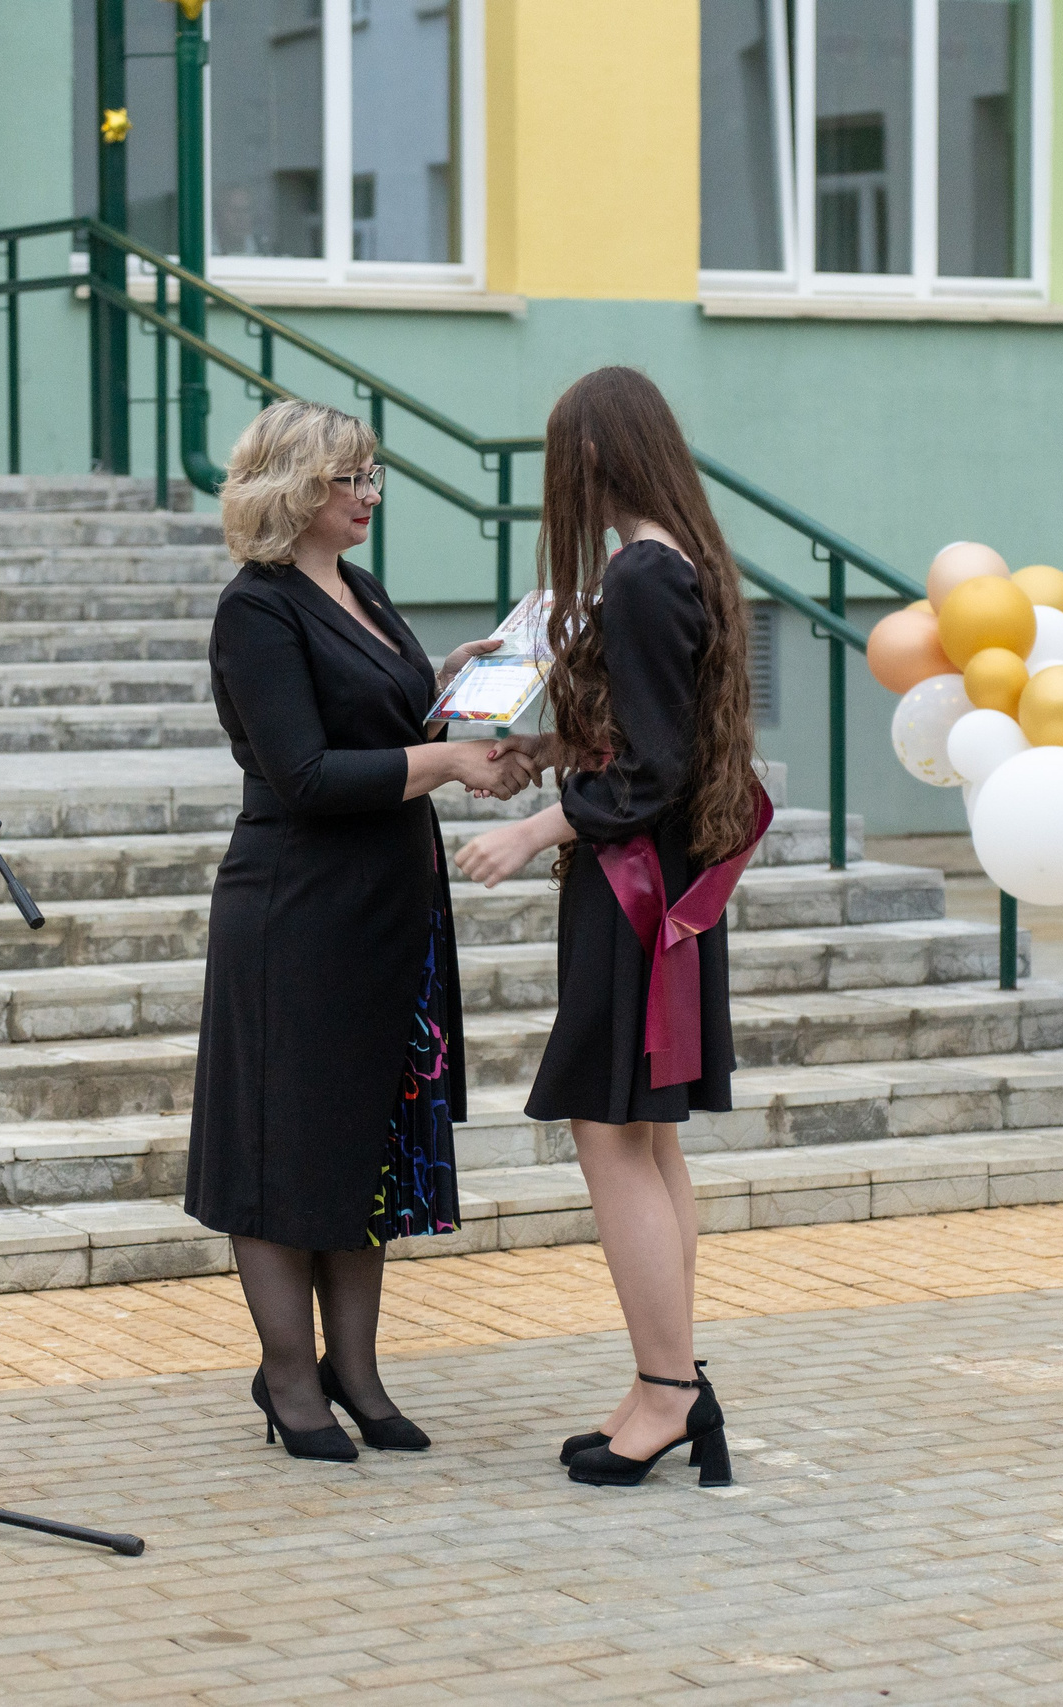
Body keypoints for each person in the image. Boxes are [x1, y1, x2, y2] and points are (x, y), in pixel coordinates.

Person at [187, 400, 532, 1461]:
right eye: (349, 479)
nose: (368, 495)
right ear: (294, 488)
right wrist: (444, 764)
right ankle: (289, 1380)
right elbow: (301, 772)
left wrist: (452, 698)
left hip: (387, 903)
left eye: (372, 475)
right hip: (297, 910)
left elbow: (376, 726)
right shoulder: (256, 609)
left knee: (365, 1144)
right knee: (284, 1144)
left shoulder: (362, 589)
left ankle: (359, 1372)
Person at [451, 368, 768, 1489]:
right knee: (649, 1136)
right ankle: (667, 1382)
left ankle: (668, 1390)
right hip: (663, 883)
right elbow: (651, 742)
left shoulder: (639, 571)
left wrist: (538, 826)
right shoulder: (688, 556)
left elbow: (654, 770)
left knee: (610, 1134)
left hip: (633, 884)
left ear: (590, 459)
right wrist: (548, 756)